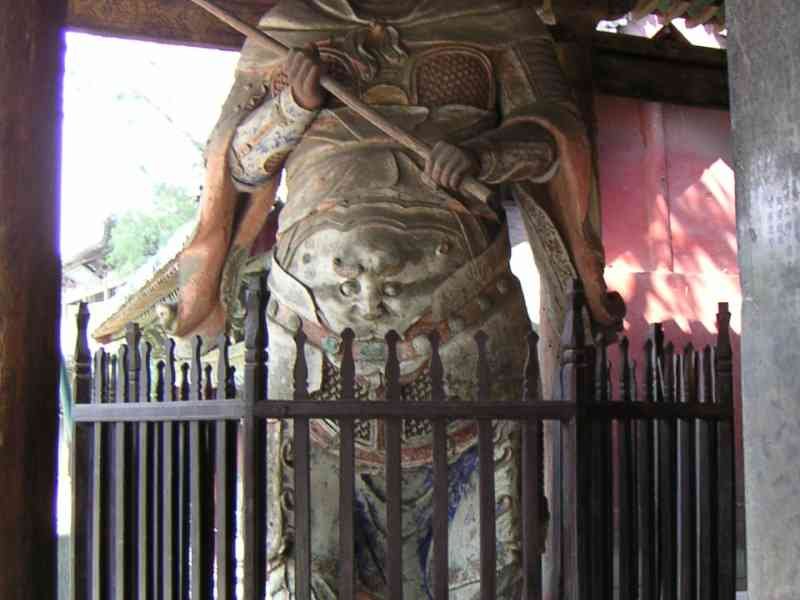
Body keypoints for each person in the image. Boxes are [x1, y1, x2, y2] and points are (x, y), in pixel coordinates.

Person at [167, 1, 624, 597]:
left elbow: (558, 138)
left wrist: (488, 153)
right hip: (311, 338)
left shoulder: (496, 17)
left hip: (467, 329)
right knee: (303, 571)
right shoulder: (289, 26)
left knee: (489, 569)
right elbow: (236, 164)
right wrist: (292, 107)